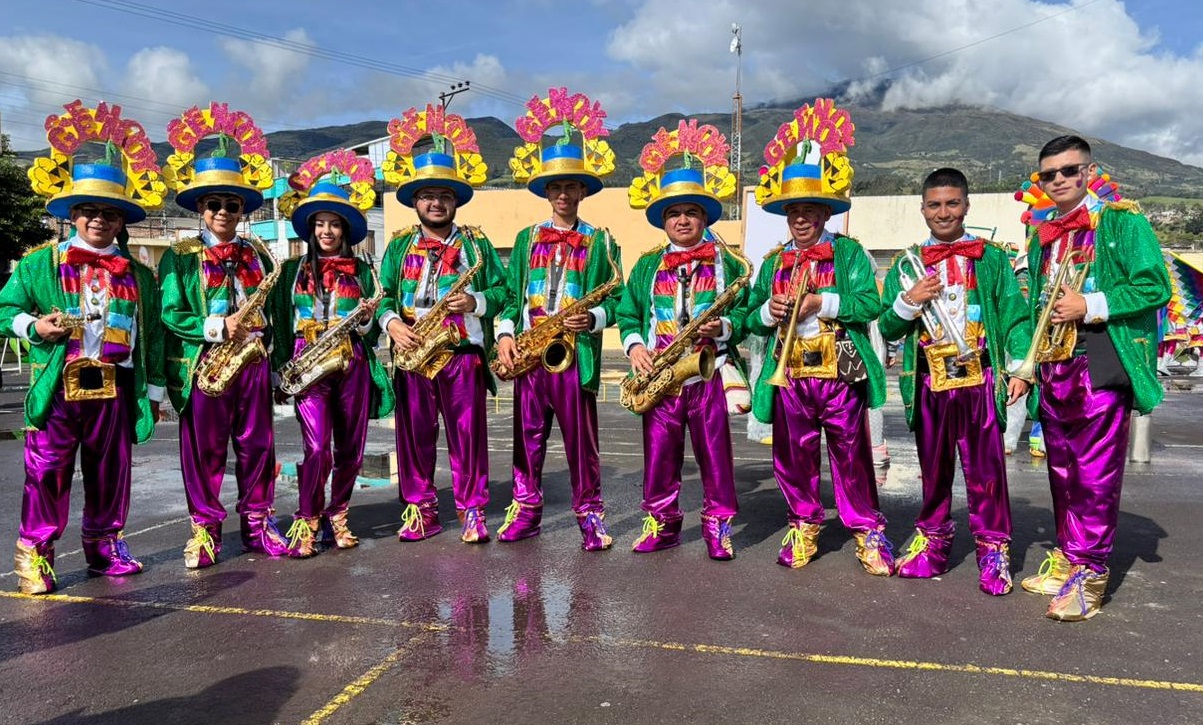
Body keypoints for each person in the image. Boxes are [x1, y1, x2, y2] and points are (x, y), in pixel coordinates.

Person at [0, 102, 166, 593]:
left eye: (108, 212)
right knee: (47, 471)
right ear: (73, 214)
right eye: (89, 211)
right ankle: (35, 554)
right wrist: (35, 326)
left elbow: (152, 335)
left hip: (114, 386)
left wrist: (153, 394)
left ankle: (105, 546)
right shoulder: (39, 264)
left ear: (120, 220)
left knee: (110, 472)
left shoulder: (139, 274)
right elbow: (4, 312)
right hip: (59, 387)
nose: (98, 220)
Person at [1017, 135, 1170, 621]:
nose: (1059, 180)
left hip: (1100, 361)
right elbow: (1038, 305)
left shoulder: (1123, 221)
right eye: (1049, 174)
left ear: (1088, 171)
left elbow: (1154, 284)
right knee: (1061, 469)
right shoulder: (1043, 233)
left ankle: (1091, 573)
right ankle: (1067, 557)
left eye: (1069, 170)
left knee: (1095, 475)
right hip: (1054, 364)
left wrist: (1091, 304)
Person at [743, 99, 894, 576]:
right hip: (790, 372)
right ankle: (804, 524)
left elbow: (871, 304)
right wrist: (770, 309)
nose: (801, 219)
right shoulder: (771, 263)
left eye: (810, 210)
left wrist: (820, 303)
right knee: (792, 457)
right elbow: (750, 319)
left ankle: (867, 530)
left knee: (852, 456)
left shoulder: (849, 254)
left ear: (826, 213)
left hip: (838, 370)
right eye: (794, 211)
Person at [878, 167, 1031, 595]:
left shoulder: (993, 258)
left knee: (988, 472)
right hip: (929, 380)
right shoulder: (906, 264)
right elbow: (888, 328)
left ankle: (994, 551)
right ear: (922, 208)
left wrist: (1020, 367)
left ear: (966, 205)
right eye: (934, 204)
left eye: (952, 203)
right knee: (934, 470)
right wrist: (910, 303)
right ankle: (933, 544)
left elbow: (1015, 317)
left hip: (980, 377)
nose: (943, 213)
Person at [159, 103, 292, 567]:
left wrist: (272, 358)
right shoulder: (179, 255)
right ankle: (205, 531)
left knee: (258, 447)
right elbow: (170, 313)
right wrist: (218, 327)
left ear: (242, 209)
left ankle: (258, 523)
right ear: (201, 207)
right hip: (207, 364)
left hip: (253, 362)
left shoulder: (257, 252)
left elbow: (274, 311)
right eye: (214, 204)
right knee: (205, 452)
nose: (223, 211)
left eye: (231, 204)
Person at [492, 89, 624, 551]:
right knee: (526, 442)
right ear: (546, 192)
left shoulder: (601, 240)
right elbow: (510, 295)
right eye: (556, 187)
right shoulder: (527, 237)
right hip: (532, 352)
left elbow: (621, 297)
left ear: (582, 191)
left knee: (581, 447)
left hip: (574, 355)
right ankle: (526, 511)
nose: (564, 194)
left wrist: (594, 318)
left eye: (572, 186)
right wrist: (506, 334)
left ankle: (589, 517)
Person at [617, 119, 749, 560]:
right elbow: (628, 312)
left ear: (704, 217)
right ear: (664, 221)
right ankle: (662, 524)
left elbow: (746, 312)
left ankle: (717, 527)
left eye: (691, 211)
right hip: (661, 373)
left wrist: (725, 328)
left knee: (716, 458)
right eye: (674, 213)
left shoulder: (727, 261)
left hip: (708, 373)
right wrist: (636, 346)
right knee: (659, 459)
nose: (683, 220)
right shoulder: (646, 264)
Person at [375, 106, 507, 544]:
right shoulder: (397, 247)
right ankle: (421, 510)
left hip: (461, 354)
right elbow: (382, 298)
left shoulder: (477, 243)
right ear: (415, 201)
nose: (436, 202)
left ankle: (472, 510)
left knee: (468, 436)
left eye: (444, 195)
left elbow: (505, 293)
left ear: (455, 200)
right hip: (412, 351)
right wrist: (392, 324)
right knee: (414, 437)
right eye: (427, 195)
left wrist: (476, 301)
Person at [269, 152, 395, 557]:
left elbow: (372, 330)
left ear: (344, 228)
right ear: (310, 228)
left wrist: (364, 320)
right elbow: (278, 322)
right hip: (309, 362)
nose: (326, 230)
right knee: (317, 448)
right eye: (319, 223)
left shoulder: (363, 271)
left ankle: (338, 514)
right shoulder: (290, 272)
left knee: (351, 449)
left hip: (351, 360)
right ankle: (307, 518)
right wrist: (280, 373)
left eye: (334, 223)